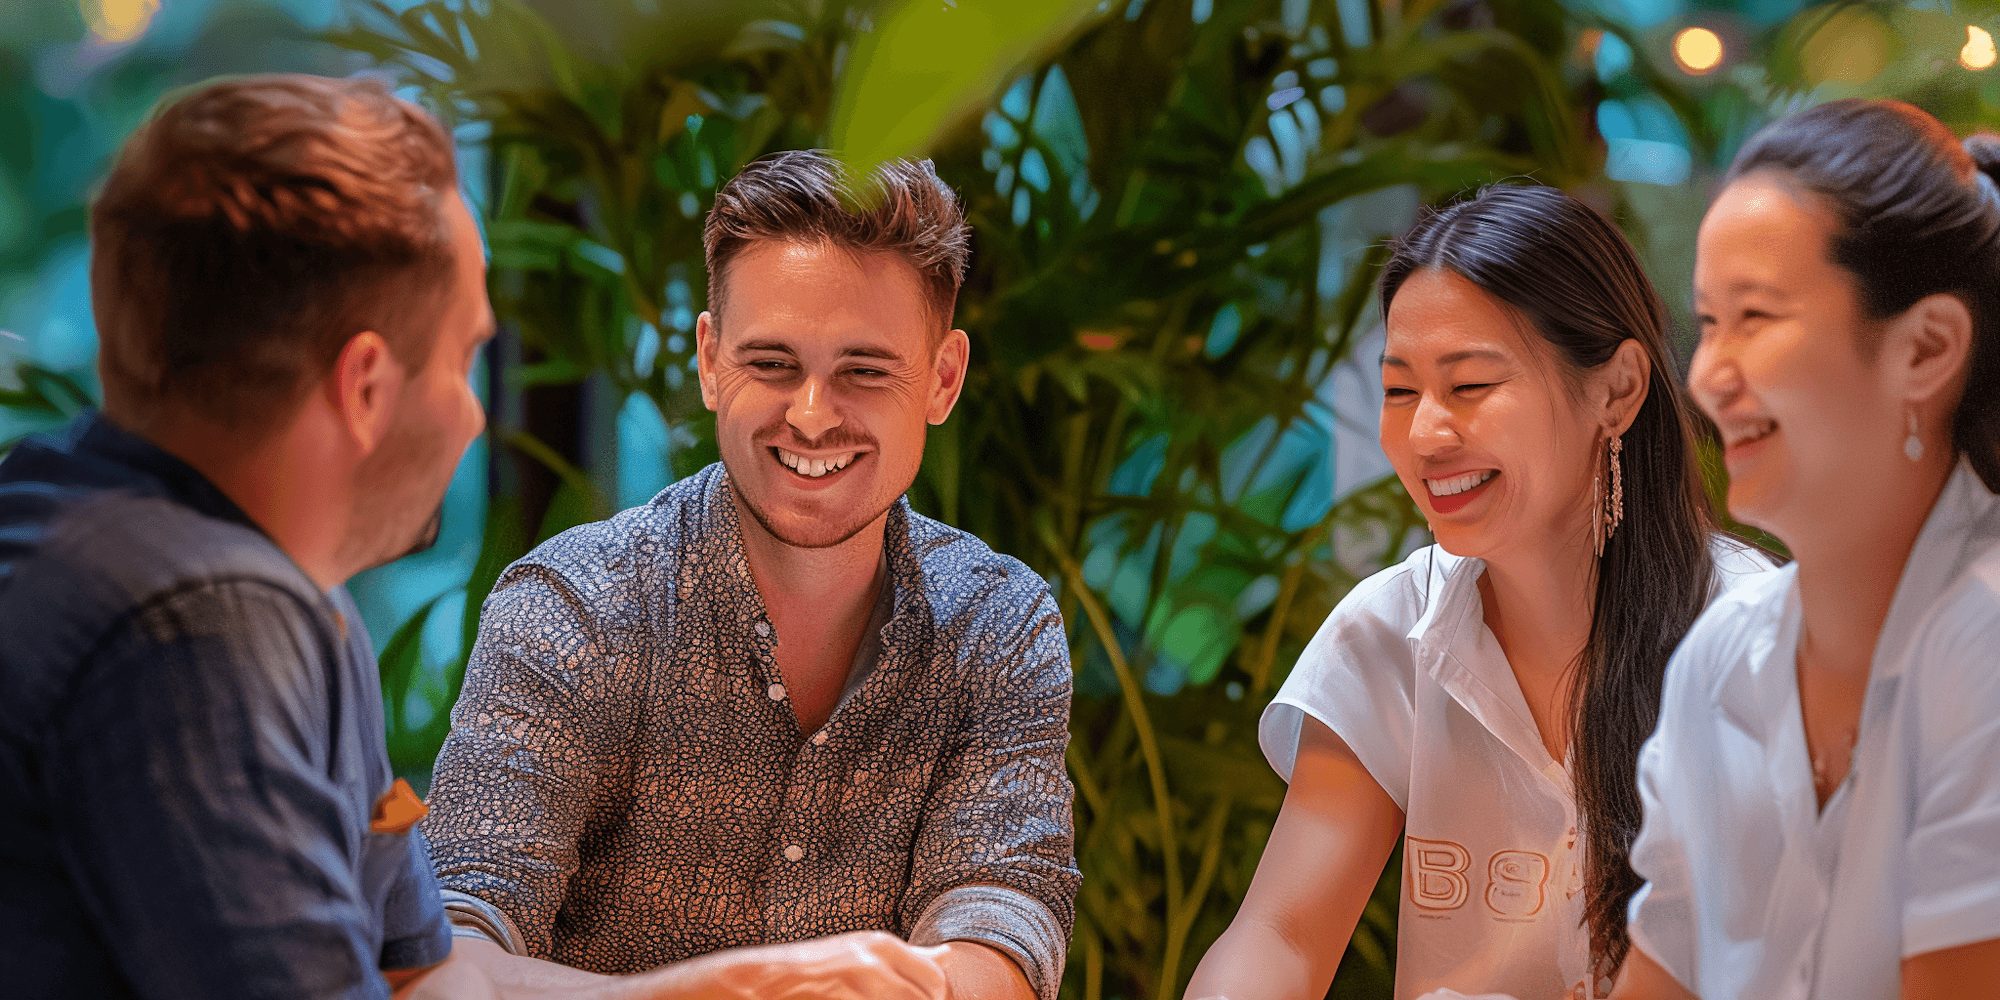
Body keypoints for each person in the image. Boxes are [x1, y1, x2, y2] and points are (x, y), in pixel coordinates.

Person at [0, 75, 945, 1000]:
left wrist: (726, 987)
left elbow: (422, 977)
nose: (472, 420)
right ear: (365, 386)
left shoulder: (192, 558)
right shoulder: (200, 628)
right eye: (463, 361)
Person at [418, 149, 1080, 1000]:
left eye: (864, 371)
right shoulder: (575, 610)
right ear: (709, 360)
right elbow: (448, 958)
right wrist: (721, 990)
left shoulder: (998, 622)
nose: (812, 415)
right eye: (772, 363)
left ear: (942, 379)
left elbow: (1002, 924)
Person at [1184, 184, 1774, 1000]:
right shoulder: (1391, 632)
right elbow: (1280, 936)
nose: (1425, 433)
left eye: (1469, 387)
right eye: (1400, 390)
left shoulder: (1752, 638)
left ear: (1617, 390)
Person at [1613, 100, 2000, 1000]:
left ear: (1927, 348)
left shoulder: (1983, 641)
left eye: (1756, 315)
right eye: (1708, 322)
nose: (1708, 375)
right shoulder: (1717, 661)